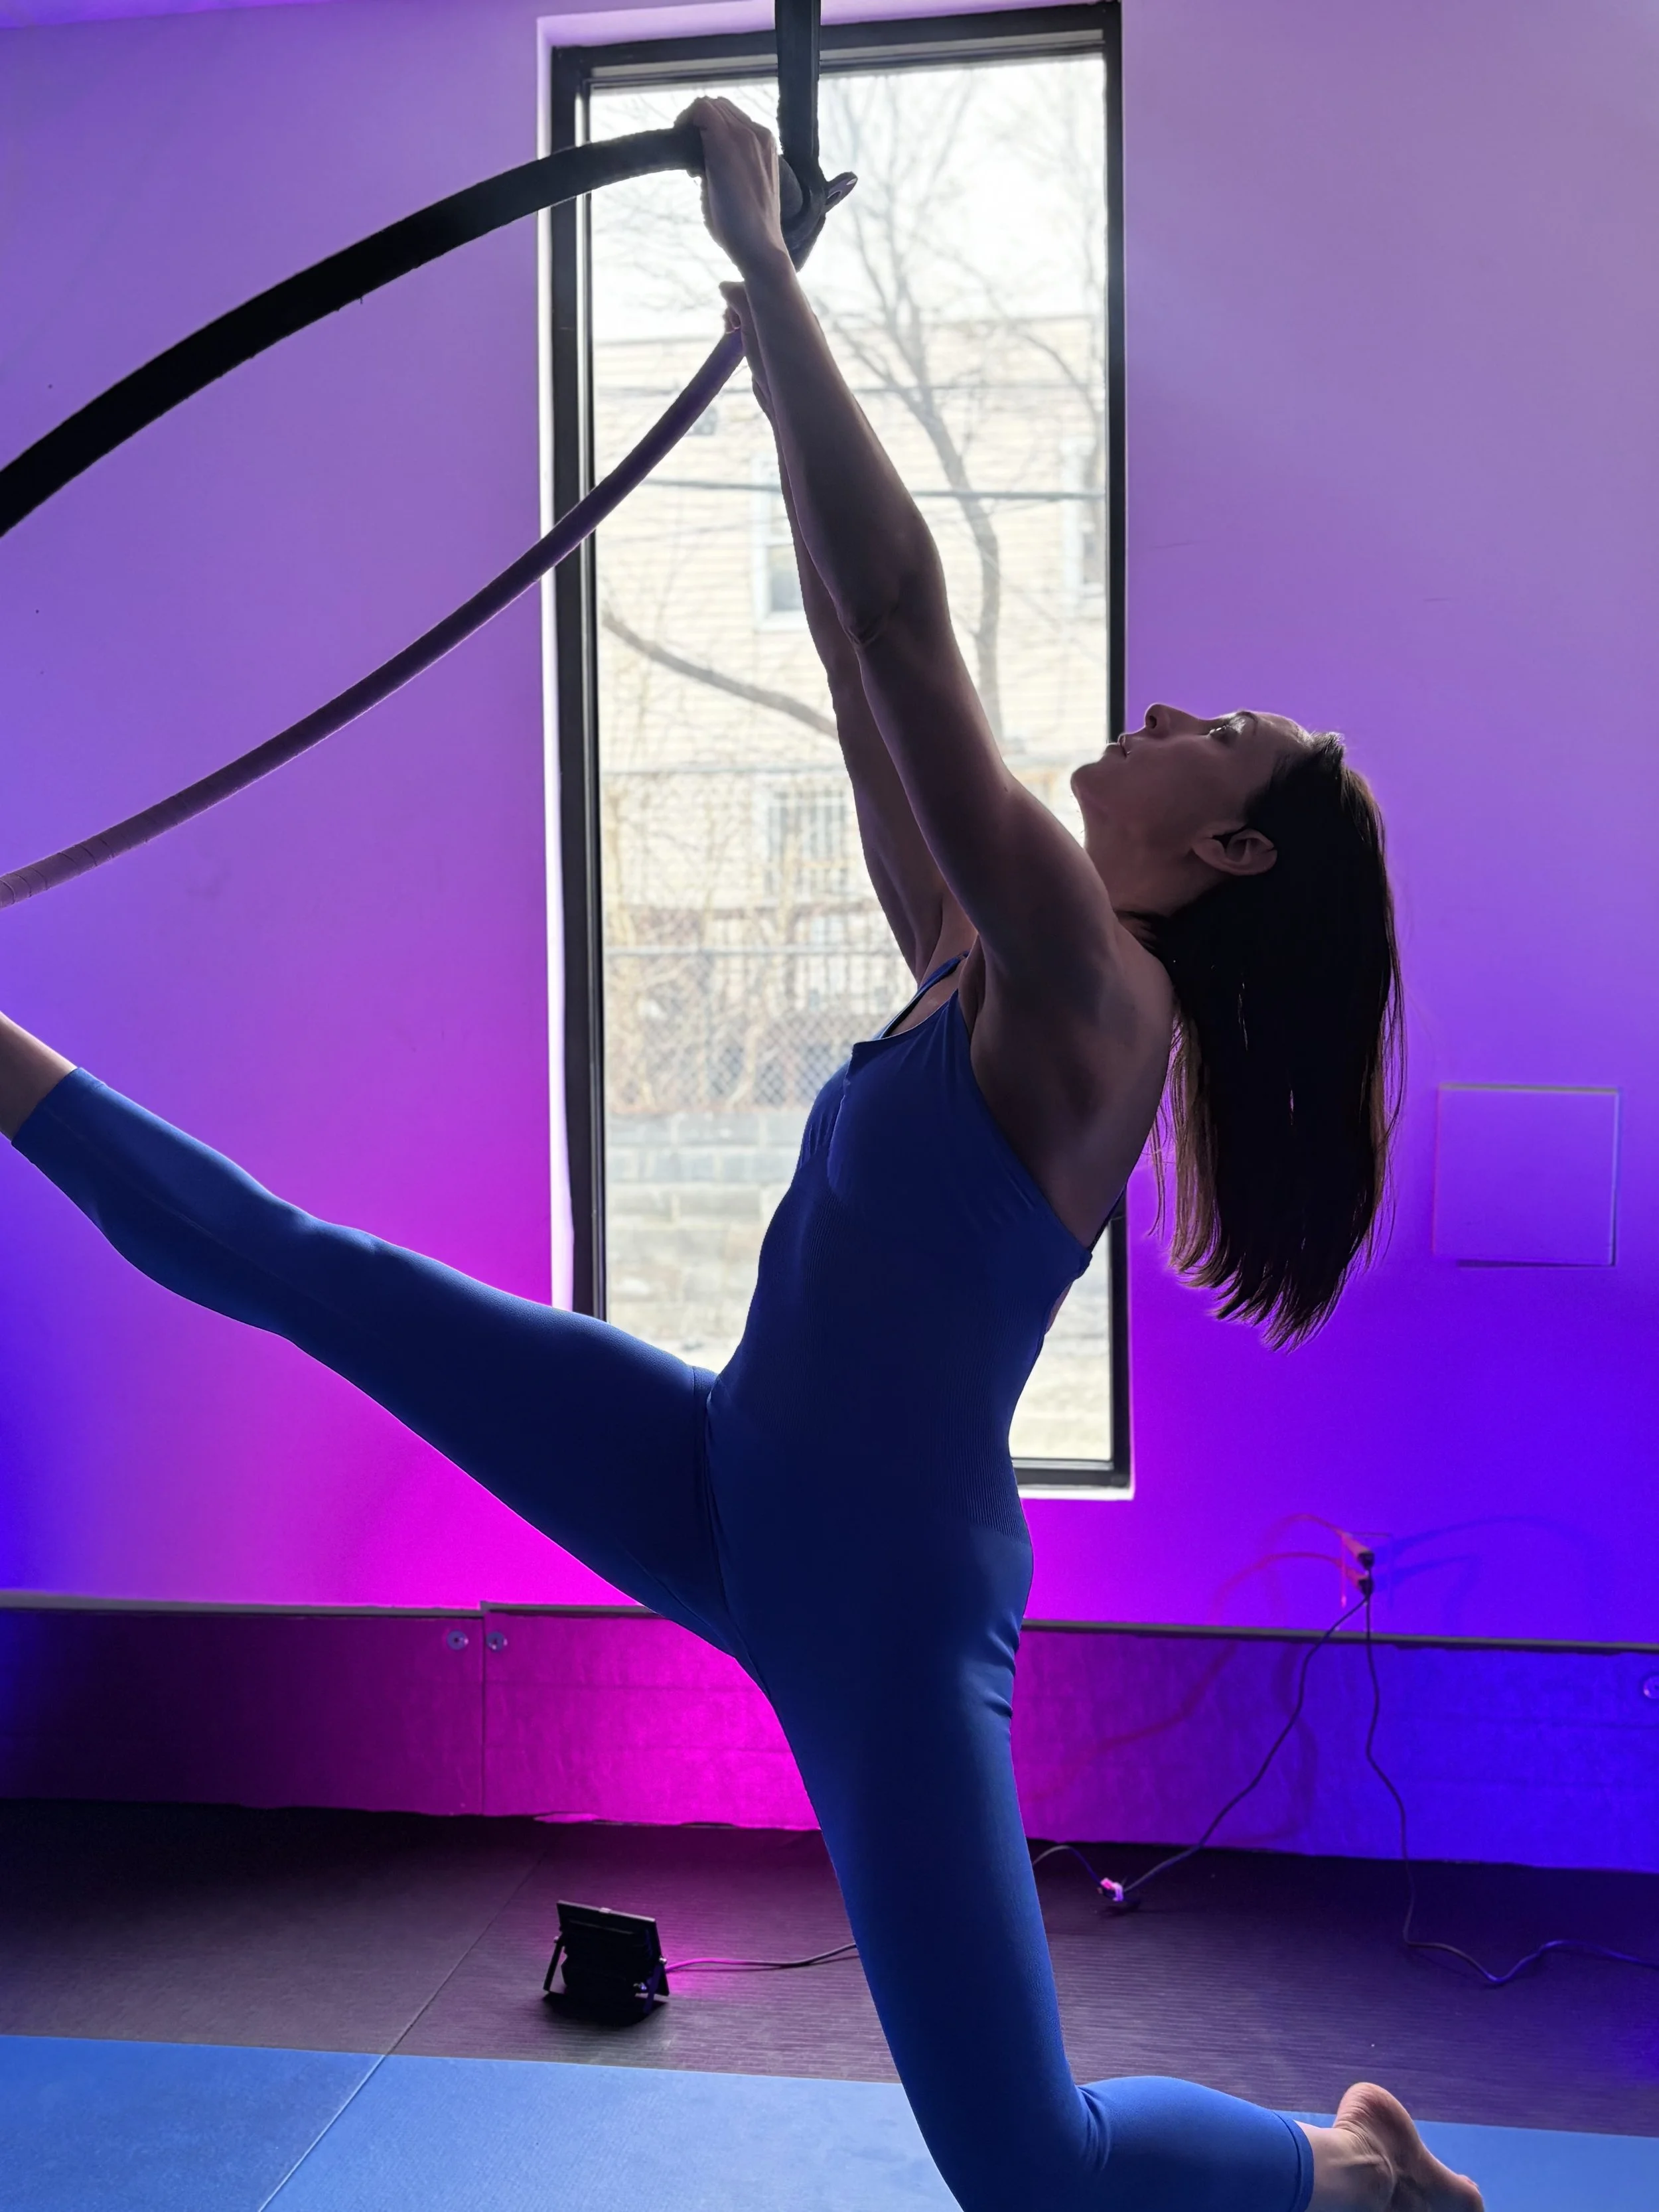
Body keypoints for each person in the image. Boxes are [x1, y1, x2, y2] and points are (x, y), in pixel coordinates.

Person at [0, 95, 1478, 2212]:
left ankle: (1346, 2177)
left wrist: (771, 263)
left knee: (1028, 2180)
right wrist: (755, 305)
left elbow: (903, 619)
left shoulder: (1095, 995)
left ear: (1228, 849)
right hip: (716, 1474)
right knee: (303, 1265)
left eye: (1204, 735)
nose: (1159, 712)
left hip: (883, 1599)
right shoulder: (980, 943)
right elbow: (840, 635)